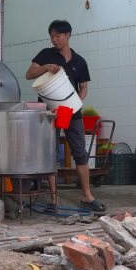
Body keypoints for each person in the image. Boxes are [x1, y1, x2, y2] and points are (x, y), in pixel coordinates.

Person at [26, 20, 105, 213]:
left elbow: (84, 87)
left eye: (58, 36)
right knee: (50, 152)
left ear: (68, 35)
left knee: (79, 151)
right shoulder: (46, 54)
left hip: (71, 112)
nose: (54, 40)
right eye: (52, 36)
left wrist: (77, 101)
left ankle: (87, 196)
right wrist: (46, 67)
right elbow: (29, 74)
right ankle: (54, 200)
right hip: (51, 112)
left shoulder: (79, 61)